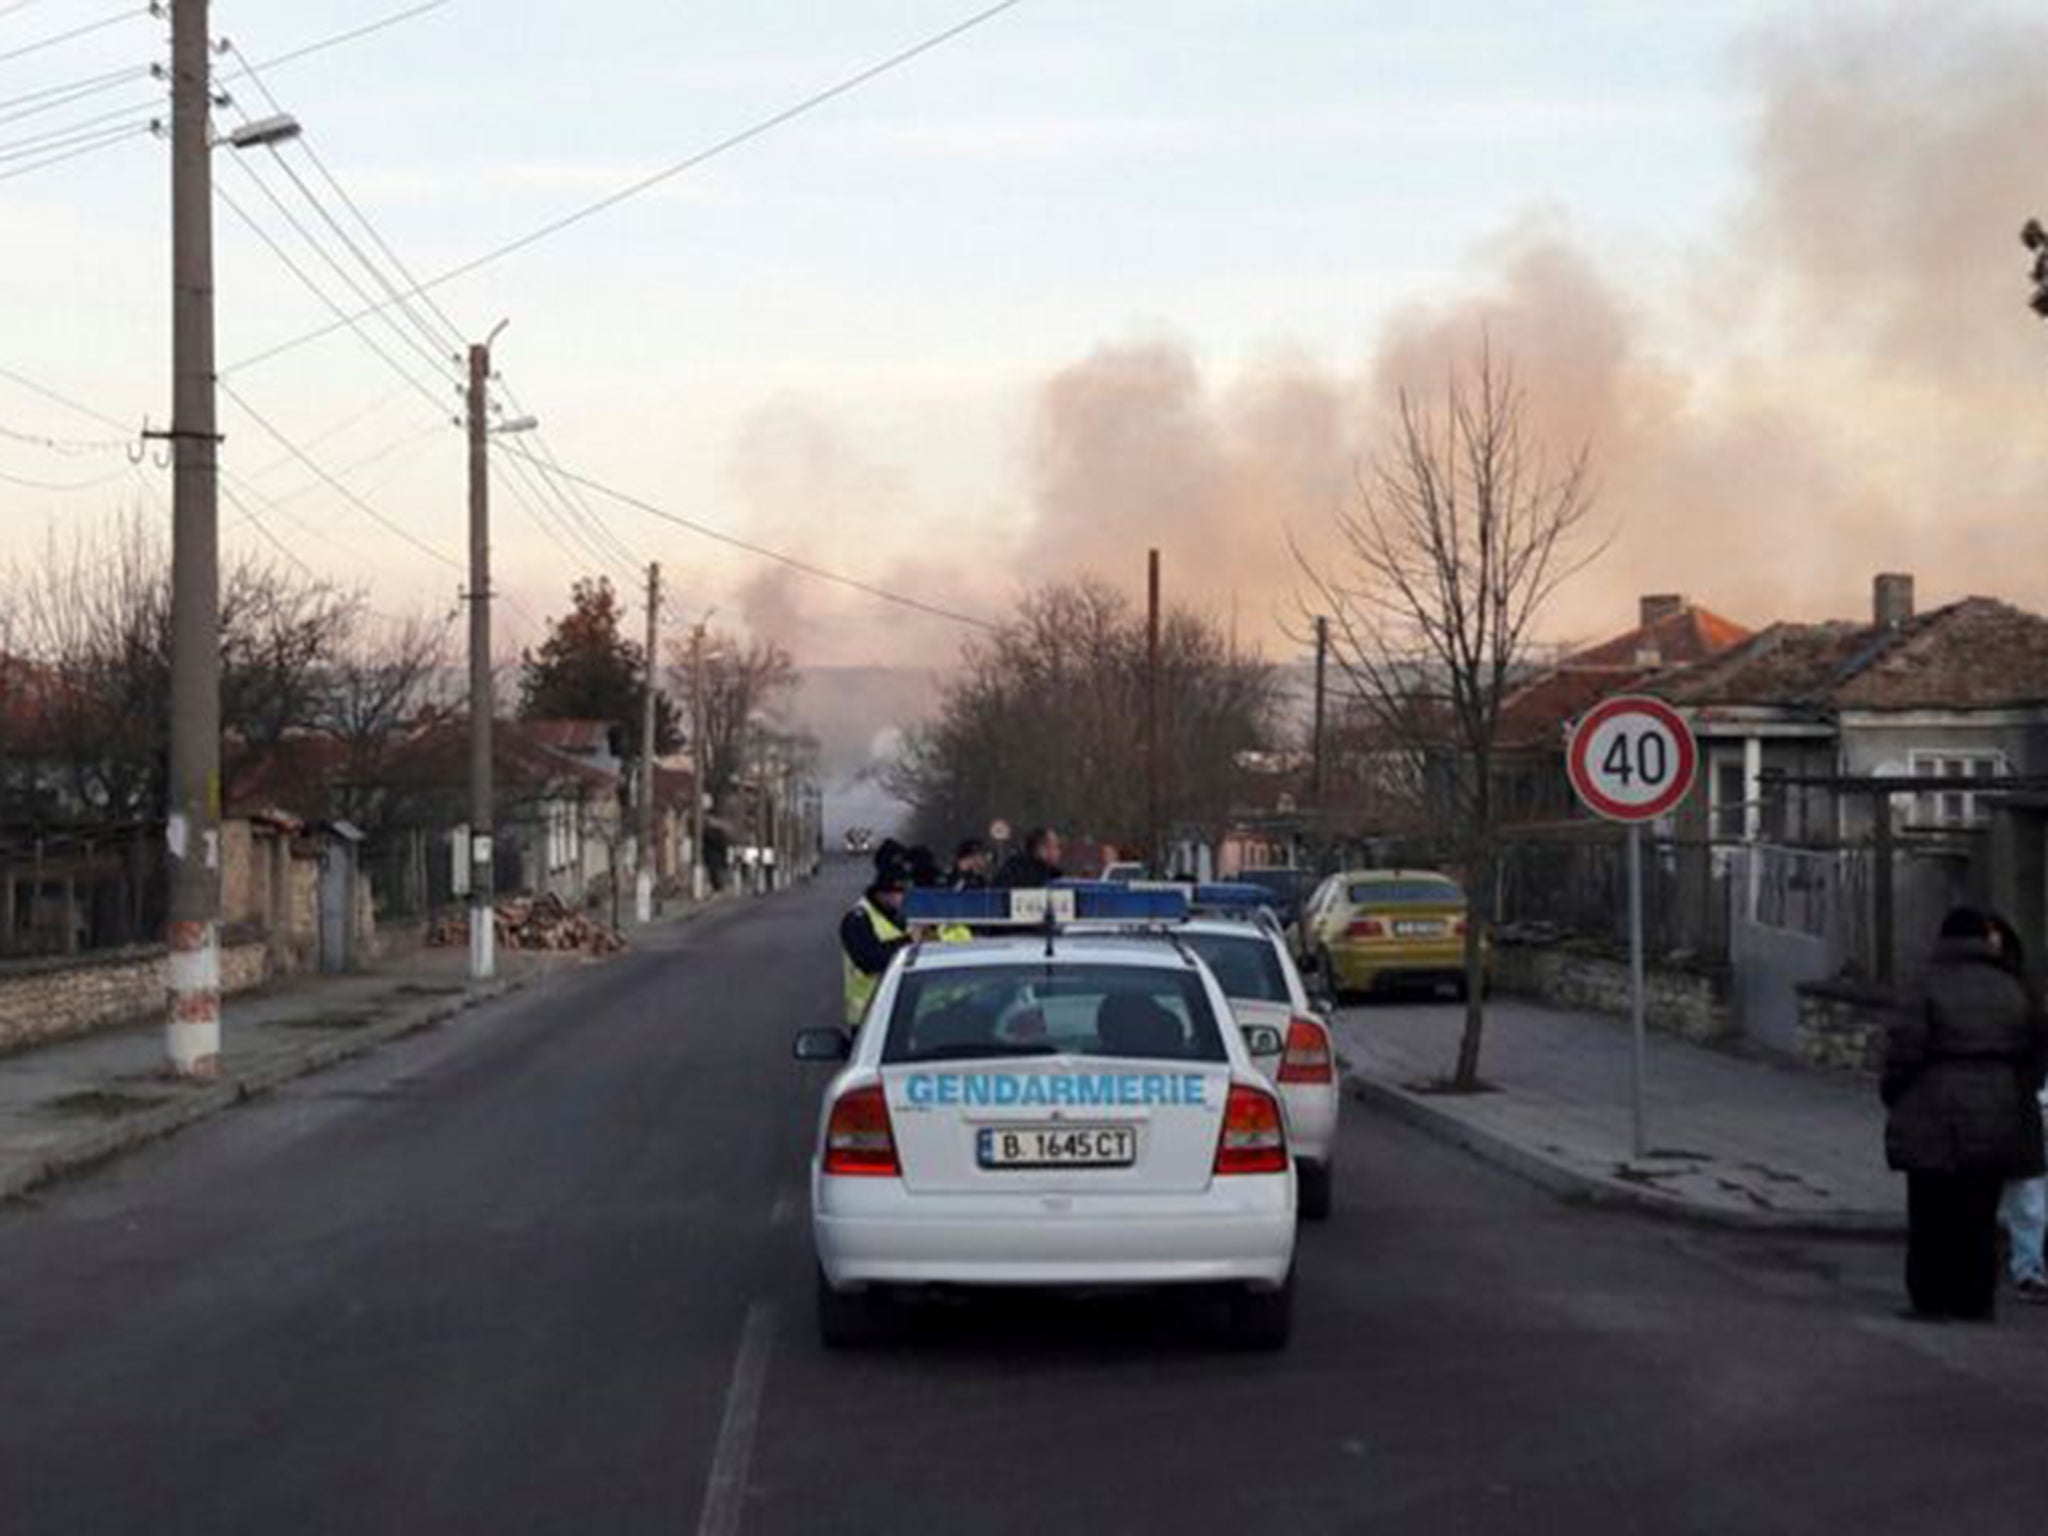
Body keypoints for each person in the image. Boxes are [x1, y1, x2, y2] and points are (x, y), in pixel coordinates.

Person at [1883, 906, 2048, 1321]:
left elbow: (1905, 1048)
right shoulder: (2015, 985)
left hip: (1934, 1106)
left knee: (1931, 1210)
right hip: (1997, 1107)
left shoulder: (1927, 983)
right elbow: (2035, 1046)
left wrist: (1896, 1093)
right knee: (1979, 1211)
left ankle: (1932, 1298)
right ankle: (1975, 1299)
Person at [1989, 913, 2048, 1302]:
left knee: (2027, 1190)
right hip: (2012, 1096)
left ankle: (2026, 1262)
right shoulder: (2020, 991)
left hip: (2022, 1095)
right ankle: (2024, 1263)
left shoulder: (2022, 989)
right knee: (2023, 1189)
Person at [840, 859, 911, 1028]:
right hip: (868, 1013)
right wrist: (909, 941)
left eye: (902, 892)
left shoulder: (899, 916)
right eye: (895, 893)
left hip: (900, 1010)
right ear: (881, 892)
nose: (900, 898)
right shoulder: (858, 919)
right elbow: (868, 960)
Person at [993, 826, 1064, 889]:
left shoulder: (1053, 873)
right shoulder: (1017, 871)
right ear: (1041, 849)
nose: (1059, 852)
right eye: (1055, 847)